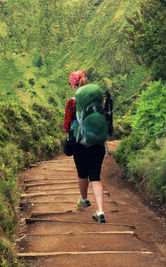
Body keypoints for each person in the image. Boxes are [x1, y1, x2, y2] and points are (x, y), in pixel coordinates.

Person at [63, 70, 106, 223]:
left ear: (74, 85)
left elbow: (66, 125)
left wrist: (73, 127)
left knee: (82, 173)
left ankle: (83, 199)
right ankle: (100, 211)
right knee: (95, 176)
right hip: (98, 143)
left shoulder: (72, 102)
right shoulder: (99, 100)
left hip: (80, 143)